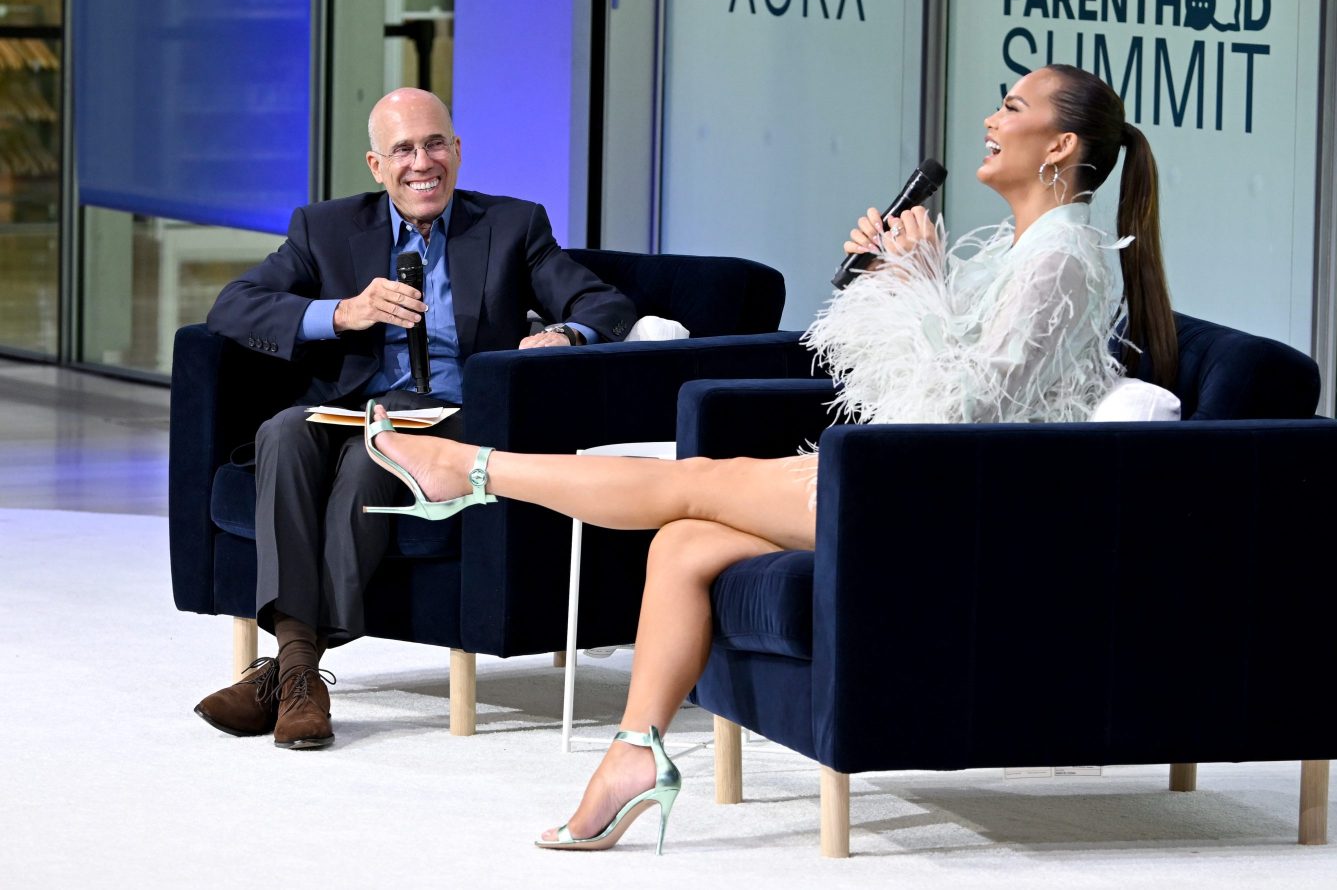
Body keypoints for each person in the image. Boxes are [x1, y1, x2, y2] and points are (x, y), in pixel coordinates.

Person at [363, 64, 1176, 852]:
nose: (992, 120)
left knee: (694, 484)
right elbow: (941, 376)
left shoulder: (1063, 258)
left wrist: (919, 281)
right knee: (683, 543)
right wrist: (894, 278)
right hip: (914, 477)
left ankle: (471, 470)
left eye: (1013, 107)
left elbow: (971, 405)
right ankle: (633, 758)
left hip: (950, 504)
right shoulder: (1024, 250)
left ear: (1061, 145)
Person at [193, 87, 637, 750]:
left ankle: (289, 673)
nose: (421, 163)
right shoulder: (325, 228)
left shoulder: (514, 225)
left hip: (450, 419)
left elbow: (604, 305)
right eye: (403, 150)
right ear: (377, 166)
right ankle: (298, 674)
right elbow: (233, 305)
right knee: (281, 430)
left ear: (457, 151)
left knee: (374, 454)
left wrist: (565, 334)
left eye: (434, 145)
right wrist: (341, 312)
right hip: (346, 409)